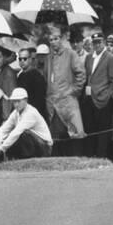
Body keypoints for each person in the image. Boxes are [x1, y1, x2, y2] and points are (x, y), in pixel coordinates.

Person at [44, 24, 86, 156]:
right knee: (56, 136)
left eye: (55, 39)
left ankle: (76, 161)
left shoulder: (71, 54)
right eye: (51, 40)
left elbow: (81, 74)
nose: (53, 42)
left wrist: (73, 91)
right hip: (53, 103)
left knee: (74, 134)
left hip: (68, 102)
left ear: (61, 39)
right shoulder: (48, 58)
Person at [81, 31, 113, 158]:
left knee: (103, 131)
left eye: (99, 42)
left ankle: (101, 156)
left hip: (103, 99)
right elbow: (87, 77)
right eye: (94, 43)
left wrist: (108, 96)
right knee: (90, 129)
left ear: (103, 42)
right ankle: (91, 156)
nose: (97, 45)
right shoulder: (88, 57)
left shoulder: (110, 58)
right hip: (89, 98)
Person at [0, 88, 53, 160]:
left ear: (26, 100)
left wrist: (2, 148)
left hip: (44, 148)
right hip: (35, 144)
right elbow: (3, 130)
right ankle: (16, 160)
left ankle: (27, 159)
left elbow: (17, 132)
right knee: (10, 136)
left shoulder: (31, 113)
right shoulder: (15, 113)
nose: (16, 104)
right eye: (14, 102)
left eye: (18, 101)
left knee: (22, 133)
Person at [17, 48, 48, 121]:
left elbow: (40, 100)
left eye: (25, 59)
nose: (22, 61)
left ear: (30, 60)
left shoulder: (37, 76)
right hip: (24, 115)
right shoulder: (21, 76)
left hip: (35, 116)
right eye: (20, 59)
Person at [0, 47, 18, 125]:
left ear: (5, 57)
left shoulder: (8, 73)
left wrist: (6, 118)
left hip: (5, 114)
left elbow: (8, 97)